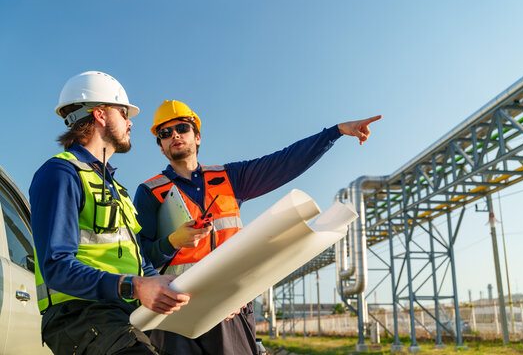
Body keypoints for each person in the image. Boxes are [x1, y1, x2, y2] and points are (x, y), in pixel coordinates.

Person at [134, 99, 382, 355]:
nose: (174, 135)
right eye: (165, 133)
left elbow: (283, 162)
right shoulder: (150, 192)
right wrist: (173, 241)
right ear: (162, 147)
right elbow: (140, 259)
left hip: (229, 307)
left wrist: (336, 131)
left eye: (182, 128)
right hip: (175, 312)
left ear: (197, 137)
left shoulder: (230, 177)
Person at [31, 72, 191, 355]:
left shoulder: (115, 187)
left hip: (120, 316)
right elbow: (56, 266)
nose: (130, 122)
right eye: (123, 112)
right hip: (80, 317)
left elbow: (141, 265)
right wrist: (133, 286)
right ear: (100, 115)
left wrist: (197, 299)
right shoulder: (61, 173)